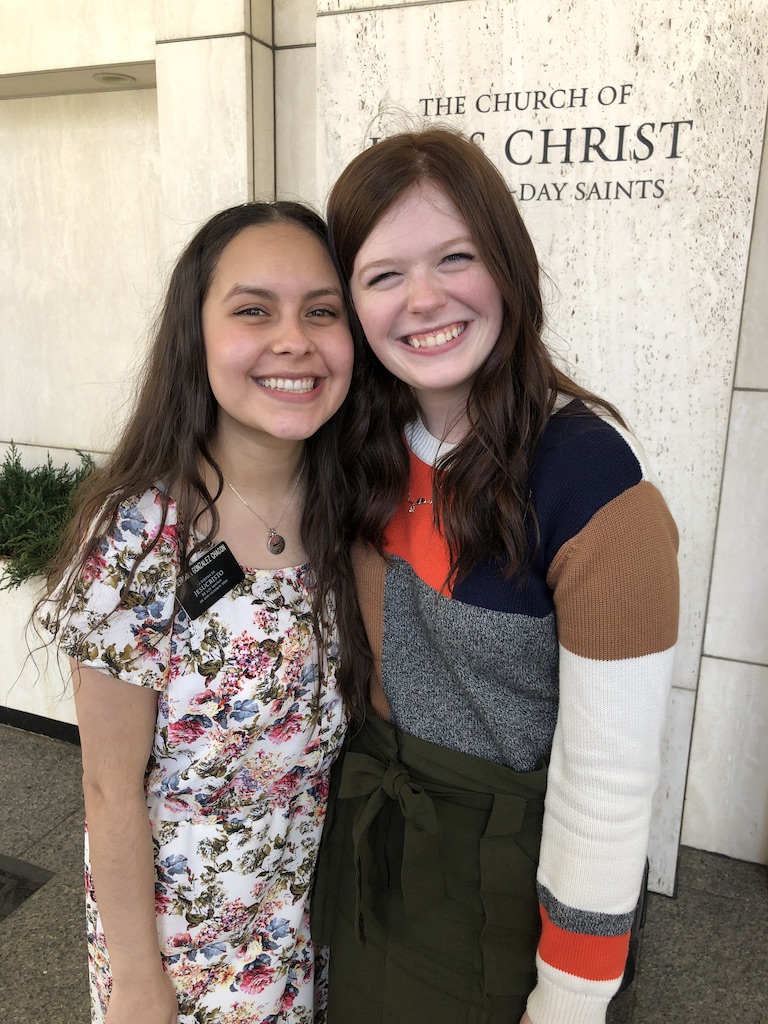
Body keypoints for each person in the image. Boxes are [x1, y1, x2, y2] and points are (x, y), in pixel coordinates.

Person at [311, 127, 680, 1024]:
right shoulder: (357, 446)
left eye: (456, 257)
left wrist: (572, 998)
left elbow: (608, 787)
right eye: (383, 274)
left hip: (509, 881)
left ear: (508, 265)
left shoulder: (593, 482)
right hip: (371, 842)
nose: (424, 299)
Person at [35, 201, 369, 1024]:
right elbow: (109, 788)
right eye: (253, 310)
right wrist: (137, 982)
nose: (293, 340)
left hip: (304, 923)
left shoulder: (348, 511)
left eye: (321, 311)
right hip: (182, 953)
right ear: (197, 333)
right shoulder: (138, 534)